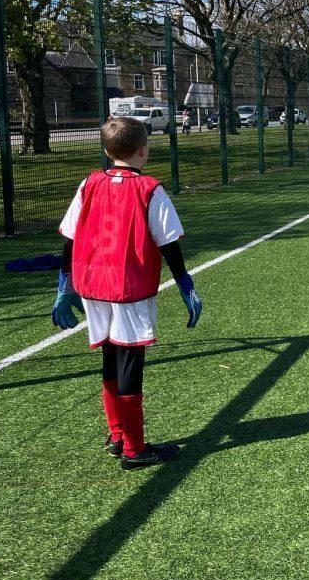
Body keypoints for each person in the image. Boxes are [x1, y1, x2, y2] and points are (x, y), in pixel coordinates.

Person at [53, 116, 204, 469]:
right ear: (143, 150)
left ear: (108, 152)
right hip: (128, 288)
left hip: (92, 285)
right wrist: (186, 286)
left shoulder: (89, 182)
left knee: (110, 357)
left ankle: (117, 435)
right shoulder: (150, 189)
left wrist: (64, 282)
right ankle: (135, 450)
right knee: (130, 361)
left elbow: (70, 238)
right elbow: (169, 245)